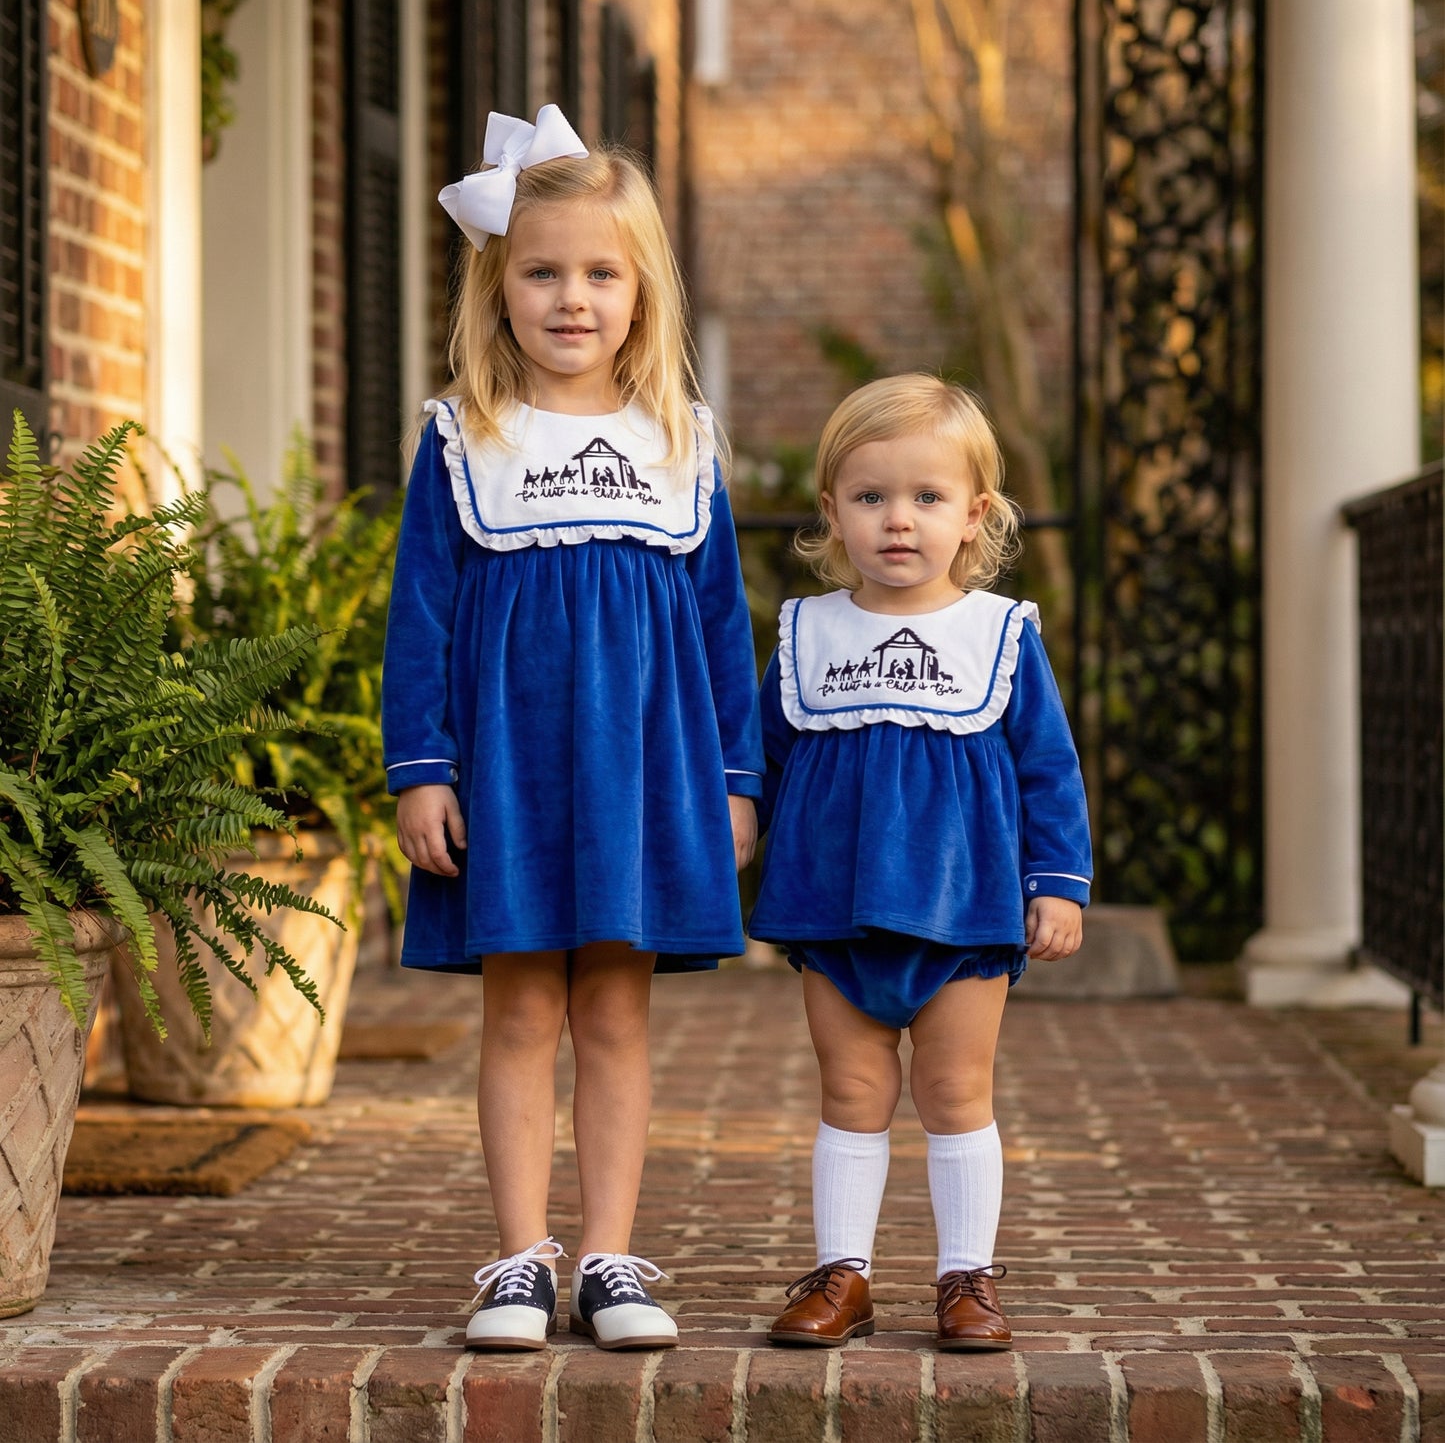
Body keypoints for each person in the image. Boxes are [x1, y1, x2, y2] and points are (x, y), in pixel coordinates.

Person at [382, 106, 762, 1353]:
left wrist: (734, 777)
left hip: (641, 777)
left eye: (601, 273)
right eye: (542, 272)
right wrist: (422, 769)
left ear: (641, 291)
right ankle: (516, 1260)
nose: (571, 298)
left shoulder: (680, 443)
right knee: (518, 1012)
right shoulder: (462, 440)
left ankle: (606, 1256)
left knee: (613, 1013)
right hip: (510, 775)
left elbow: (721, 625)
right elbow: (421, 617)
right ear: (498, 287)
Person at [749, 374, 1090, 1350]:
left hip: (964, 909)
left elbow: (1047, 769)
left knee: (954, 1093)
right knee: (851, 1094)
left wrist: (1057, 882)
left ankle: (964, 1277)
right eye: (870, 496)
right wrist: (730, 831)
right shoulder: (807, 632)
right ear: (831, 511)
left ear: (972, 514)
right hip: (832, 905)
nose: (897, 519)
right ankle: (843, 1274)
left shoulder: (998, 632)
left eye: (926, 496)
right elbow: (762, 760)